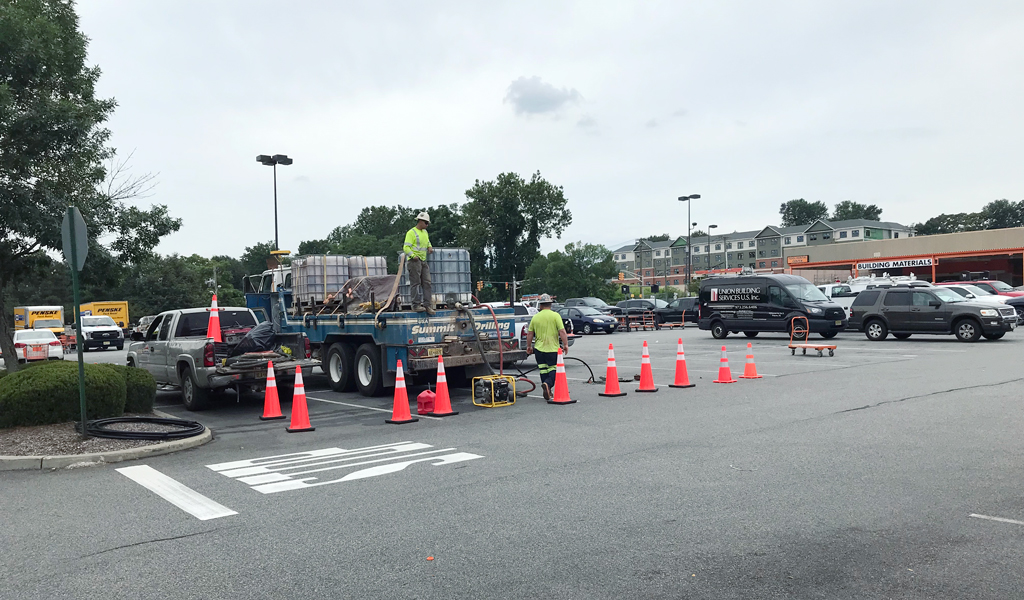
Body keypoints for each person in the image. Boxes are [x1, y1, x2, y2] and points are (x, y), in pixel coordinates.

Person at [525, 294, 569, 401]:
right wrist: (565, 344)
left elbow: (530, 333)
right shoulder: (555, 316)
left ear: (540, 306)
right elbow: (562, 331)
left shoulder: (535, 317)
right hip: (552, 349)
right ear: (550, 304)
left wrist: (529, 346)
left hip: (539, 350)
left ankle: (547, 390)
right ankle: (548, 384)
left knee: (543, 370)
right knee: (554, 370)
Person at [403, 211, 435, 315]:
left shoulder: (425, 233)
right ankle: (416, 305)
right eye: (426, 223)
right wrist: (413, 256)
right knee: (415, 283)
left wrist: (429, 246)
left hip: (423, 260)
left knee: (427, 283)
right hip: (414, 261)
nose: (427, 225)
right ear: (420, 221)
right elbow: (406, 247)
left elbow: (427, 241)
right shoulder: (411, 233)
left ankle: (427, 305)